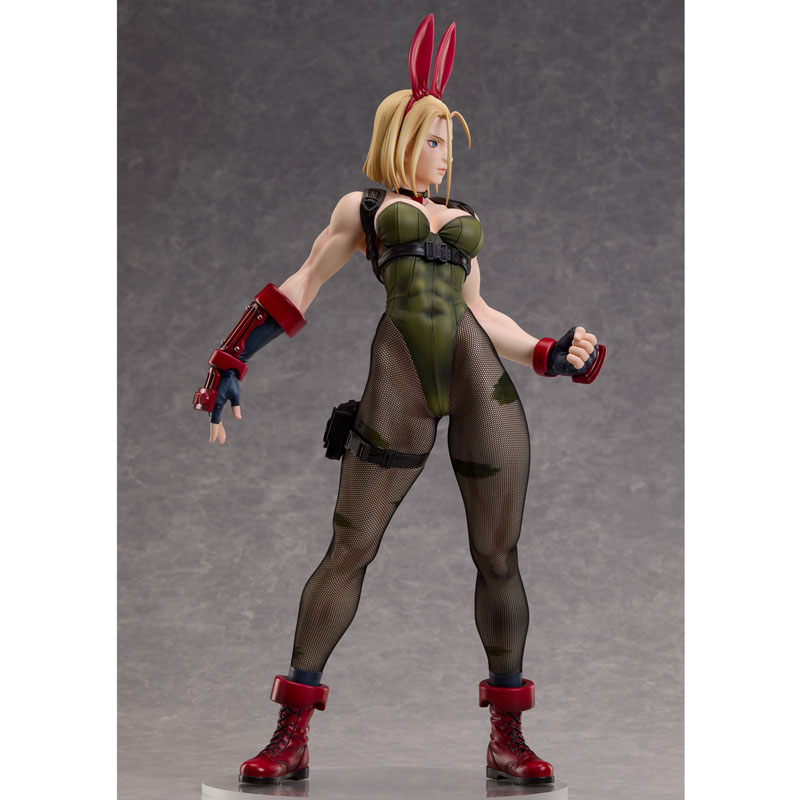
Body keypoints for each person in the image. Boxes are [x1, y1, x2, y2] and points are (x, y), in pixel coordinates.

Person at [193, 13, 605, 787]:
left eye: (447, 140)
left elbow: (482, 315)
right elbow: (302, 284)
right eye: (431, 137)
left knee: (499, 556)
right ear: (398, 138)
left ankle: (508, 739)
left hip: (481, 386)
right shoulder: (363, 210)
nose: (442, 152)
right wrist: (232, 353)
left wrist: (551, 353)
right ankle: (291, 733)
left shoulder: (465, 218)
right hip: (399, 387)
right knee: (349, 549)